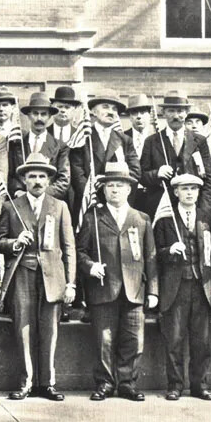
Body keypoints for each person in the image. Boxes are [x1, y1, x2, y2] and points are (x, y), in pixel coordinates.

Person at [0, 152, 76, 401]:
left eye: (42, 176)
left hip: (53, 277)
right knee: (24, 329)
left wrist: (71, 283)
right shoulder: (11, 207)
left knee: (50, 330)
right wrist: (15, 242)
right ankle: (26, 382)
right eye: (32, 176)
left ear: (49, 180)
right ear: (24, 179)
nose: (38, 181)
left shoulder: (59, 207)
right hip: (23, 274)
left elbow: (69, 247)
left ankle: (48, 383)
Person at [76, 161, 157, 402]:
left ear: (129, 189)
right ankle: (105, 383)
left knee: (133, 339)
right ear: (103, 189)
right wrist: (91, 266)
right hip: (104, 287)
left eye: (120, 185)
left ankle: (127, 383)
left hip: (134, 289)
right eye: (110, 185)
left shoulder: (141, 219)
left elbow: (151, 258)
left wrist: (153, 291)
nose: (114, 190)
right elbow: (79, 252)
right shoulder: (93, 218)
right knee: (104, 339)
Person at [154, 173, 211, 401]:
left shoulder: (205, 217)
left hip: (202, 286)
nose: (190, 193)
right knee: (174, 338)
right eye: (185, 188)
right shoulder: (165, 219)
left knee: (201, 340)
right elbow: (153, 254)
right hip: (175, 286)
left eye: (194, 188)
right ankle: (175, 385)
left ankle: (199, 385)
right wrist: (169, 250)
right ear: (176, 192)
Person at [139, 92, 211, 217]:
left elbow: (209, 180)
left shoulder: (199, 141)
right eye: (171, 111)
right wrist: (156, 173)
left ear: (186, 112)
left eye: (180, 111)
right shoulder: (151, 141)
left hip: (192, 209)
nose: (176, 116)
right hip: (161, 209)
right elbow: (141, 176)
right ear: (163, 113)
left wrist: (204, 210)